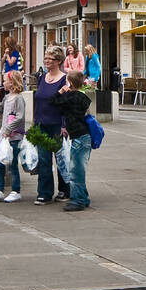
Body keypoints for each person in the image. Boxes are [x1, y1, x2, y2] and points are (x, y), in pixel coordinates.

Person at [32, 46, 72, 204]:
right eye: (46, 58)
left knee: (61, 159)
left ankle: (64, 190)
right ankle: (44, 192)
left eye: (50, 59)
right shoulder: (42, 77)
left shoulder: (64, 79)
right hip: (42, 124)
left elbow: (66, 104)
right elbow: (38, 101)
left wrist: (64, 125)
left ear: (59, 61)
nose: (47, 61)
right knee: (43, 160)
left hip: (57, 125)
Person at [54, 70, 93, 211]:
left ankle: (78, 200)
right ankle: (83, 197)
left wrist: (61, 91)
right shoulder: (83, 96)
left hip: (78, 137)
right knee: (79, 169)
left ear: (69, 83)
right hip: (84, 135)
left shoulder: (70, 97)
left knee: (76, 170)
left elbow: (53, 102)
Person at [0, 71, 26, 202]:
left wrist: (9, 129)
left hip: (14, 136)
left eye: (5, 80)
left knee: (12, 164)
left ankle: (16, 190)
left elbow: (20, 117)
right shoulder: (7, 97)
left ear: (12, 83)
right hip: (3, 136)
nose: (3, 83)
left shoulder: (18, 98)